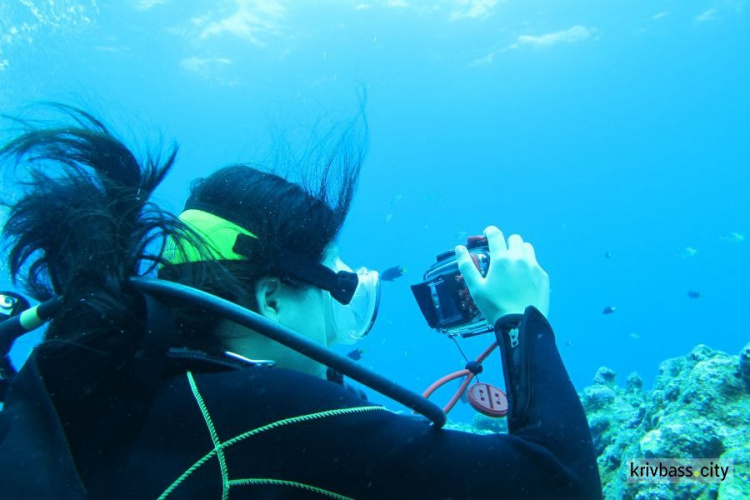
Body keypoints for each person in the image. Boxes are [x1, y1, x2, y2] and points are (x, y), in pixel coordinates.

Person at [0, 108, 602, 499]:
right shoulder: (269, 410)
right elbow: (562, 484)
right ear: (271, 299)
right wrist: (522, 319)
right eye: (334, 290)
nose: (345, 320)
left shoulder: (151, 388)